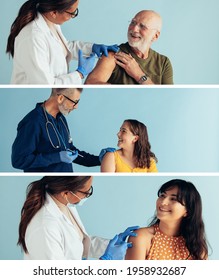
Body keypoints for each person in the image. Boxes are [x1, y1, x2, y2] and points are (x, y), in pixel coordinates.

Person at [17, 176, 139, 259]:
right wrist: (107, 260)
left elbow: (78, 242)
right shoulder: (45, 226)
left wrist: (110, 245)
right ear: (66, 193)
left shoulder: (65, 204)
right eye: (86, 192)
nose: (87, 196)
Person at [6, 0, 119, 84]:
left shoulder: (50, 22)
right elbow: (44, 85)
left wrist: (92, 47)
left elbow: (63, 47)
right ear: (54, 12)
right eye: (71, 13)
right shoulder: (33, 37)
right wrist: (80, 73)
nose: (72, 16)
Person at [11, 88, 114, 172]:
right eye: (75, 102)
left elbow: (70, 151)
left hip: (66, 183)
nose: (76, 107)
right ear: (60, 98)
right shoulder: (33, 122)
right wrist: (57, 157)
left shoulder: (61, 118)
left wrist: (99, 159)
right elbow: (19, 160)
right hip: (49, 184)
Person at [125, 179, 209, 260]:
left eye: (173, 199)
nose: (163, 202)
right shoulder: (141, 238)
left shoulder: (197, 248)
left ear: (187, 211)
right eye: (162, 196)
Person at [85, 10, 173, 85]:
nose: (134, 29)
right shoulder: (113, 54)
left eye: (142, 26)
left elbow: (169, 97)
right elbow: (90, 84)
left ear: (155, 36)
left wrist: (139, 75)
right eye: (133, 22)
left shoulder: (163, 63)